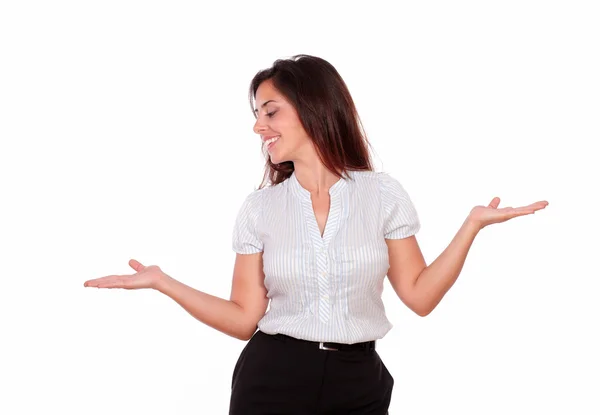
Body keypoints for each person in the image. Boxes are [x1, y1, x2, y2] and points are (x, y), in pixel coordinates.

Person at [83, 54, 549, 414]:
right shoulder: (260, 208)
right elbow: (245, 318)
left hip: (359, 380)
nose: (257, 125)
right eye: (257, 114)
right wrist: (165, 282)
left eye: (271, 111)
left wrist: (470, 228)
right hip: (273, 377)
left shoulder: (383, 195)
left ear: (313, 108)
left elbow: (420, 296)